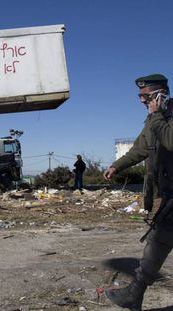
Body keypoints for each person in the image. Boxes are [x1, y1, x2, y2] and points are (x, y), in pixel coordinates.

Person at [103, 74, 173, 311]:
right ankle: (135, 293)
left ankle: (135, 293)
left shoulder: (164, 117)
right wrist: (117, 166)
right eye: (140, 97)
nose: (143, 101)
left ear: (160, 94)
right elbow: (140, 149)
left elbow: (171, 140)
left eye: (146, 96)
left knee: (159, 240)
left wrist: (156, 115)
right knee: (159, 240)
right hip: (171, 195)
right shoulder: (154, 120)